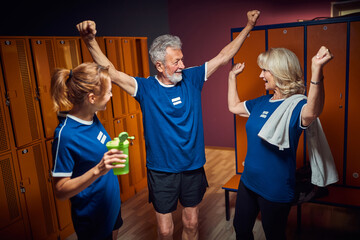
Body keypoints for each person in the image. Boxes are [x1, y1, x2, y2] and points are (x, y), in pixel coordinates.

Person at [77, 10, 260, 240]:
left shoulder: (192, 78)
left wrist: (248, 26)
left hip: (192, 167)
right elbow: (111, 72)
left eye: (182, 58)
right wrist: (90, 41)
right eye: (176, 61)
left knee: (191, 223)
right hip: (161, 171)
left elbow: (224, 55)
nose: (183, 64)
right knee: (165, 230)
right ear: (160, 66)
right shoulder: (145, 89)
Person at [227, 46, 333, 239]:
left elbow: (313, 111)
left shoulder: (296, 105)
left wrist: (316, 69)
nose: (261, 75)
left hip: (275, 188)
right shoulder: (262, 101)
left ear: (279, 72)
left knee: (274, 235)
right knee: (241, 228)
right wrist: (231, 77)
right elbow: (234, 107)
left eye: (265, 70)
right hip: (248, 181)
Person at [51, 62, 128, 240]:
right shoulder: (66, 135)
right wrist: (98, 170)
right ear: (92, 98)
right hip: (93, 217)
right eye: (108, 91)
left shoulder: (92, 117)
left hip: (110, 206)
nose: (111, 95)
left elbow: (92, 152)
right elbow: (60, 191)